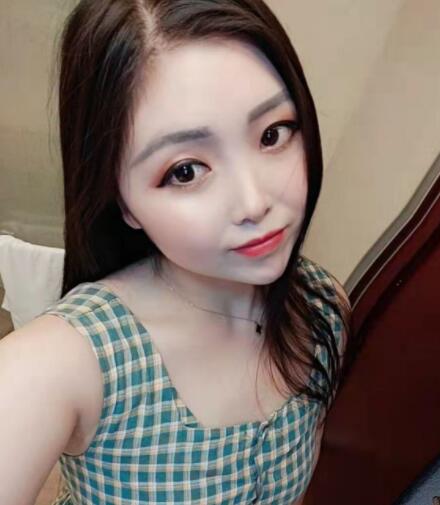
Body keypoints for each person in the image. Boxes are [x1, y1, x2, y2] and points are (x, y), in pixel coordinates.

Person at [0, 1, 352, 503]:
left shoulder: (323, 310)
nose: (254, 202)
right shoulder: (59, 365)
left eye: (272, 134)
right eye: (185, 171)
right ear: (122, 201)